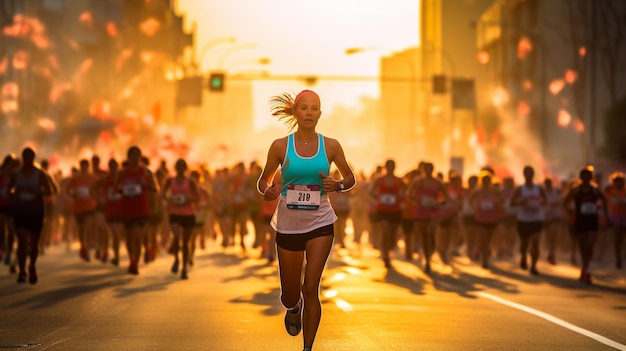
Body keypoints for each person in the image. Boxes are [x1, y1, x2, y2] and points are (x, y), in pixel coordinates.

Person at [257, 90, 355, 351]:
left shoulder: (331, 146)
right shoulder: (280, 146)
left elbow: (350, 177)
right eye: (304, 108)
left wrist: (338, 185)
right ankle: (293, 307)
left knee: (310, 286)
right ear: (296, 113)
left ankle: (307, 348)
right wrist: (269, 190)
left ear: (320, 114)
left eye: (314, 108)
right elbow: (263, 180)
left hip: (320, 222)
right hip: (288, 225)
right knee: (290, 293)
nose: (310, 113)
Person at [7, 147, 53, 283]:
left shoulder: (39, 173)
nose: (28, 161)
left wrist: (38, 191)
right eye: (26, 158)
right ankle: (22, 271)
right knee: (21, 241)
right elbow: (9, 190)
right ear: (23, 158)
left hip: (36, 210)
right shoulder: (16, 173)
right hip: (20, 210)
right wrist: (15, 194)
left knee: (33, 244)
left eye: (30, 158)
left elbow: (49, 191)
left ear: (33, 158)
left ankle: (32, 266)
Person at [115, 146, 158, 275]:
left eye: (136, 155)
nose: (134, 157)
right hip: (127, 208)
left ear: (139, 157)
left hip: (141, 209)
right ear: (128, 157)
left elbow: (156, 188)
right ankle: (131, 259)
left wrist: (145, 185)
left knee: (138, 235)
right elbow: (115, 188)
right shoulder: (122, 173)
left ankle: (135, 264)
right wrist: (124, 189)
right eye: (131, 155)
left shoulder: (146, 172)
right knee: (129, 237)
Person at [563, 167, 608, 284]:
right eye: (584, 176)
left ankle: (587, 269)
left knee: (590, 245)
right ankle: (584, 268)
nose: (586, 178)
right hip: (580, 220)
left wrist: (603, 212)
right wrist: (570, 211)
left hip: (592, 220)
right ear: (581, 177)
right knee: (583, 247)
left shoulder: (595, 190)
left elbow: (604, 200)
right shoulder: (576, 190)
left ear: (591, 177)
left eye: (588, 176)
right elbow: (565, 202)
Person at [162, 159, 199, 279]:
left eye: (182, 166)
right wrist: (169, 199)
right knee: (177, 237)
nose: (180, 169)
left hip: (188, 214)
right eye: (178, 166)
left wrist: (189, 198)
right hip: (175, 214)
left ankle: (184, 269)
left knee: (185, 243)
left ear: (185, 168)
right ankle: (176, 259)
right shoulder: (170, 181)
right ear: (175, 168)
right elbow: (163, 194)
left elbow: (197, 198)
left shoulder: (190, 182)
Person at [510, 166, 547, 275]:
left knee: (536, 242)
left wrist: (539, 203)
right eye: (527, 173)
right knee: (524, 243)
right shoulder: (520, 189)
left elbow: (545, 200)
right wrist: (521, 202)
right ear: (524, 174)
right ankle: (523, 256)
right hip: (523, 219)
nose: (529, 175)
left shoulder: (538, 188)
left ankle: (534, 266)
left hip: (536, 218)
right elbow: (512, 203)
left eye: (530, 173)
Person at [369, 159, 405, 268]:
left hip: (395, 210)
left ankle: (388, 251)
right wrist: (376, 200)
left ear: (394, 167)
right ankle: (386, 256)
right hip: (383, 209)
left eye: (392, 166)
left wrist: (401, 198)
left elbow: (405, 193)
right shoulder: (379, 180)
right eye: (388, 166)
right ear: (385, 167)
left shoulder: (399, 180)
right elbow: (371, 193)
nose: (390, 168)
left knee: (392, 235)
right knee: (385, 233)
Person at [606, 172, 626, 268]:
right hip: (615, 216)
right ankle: (618, 258)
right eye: (617, 182)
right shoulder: (611, 191)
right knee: (618, 238)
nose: (619, 183)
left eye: (621, 181)